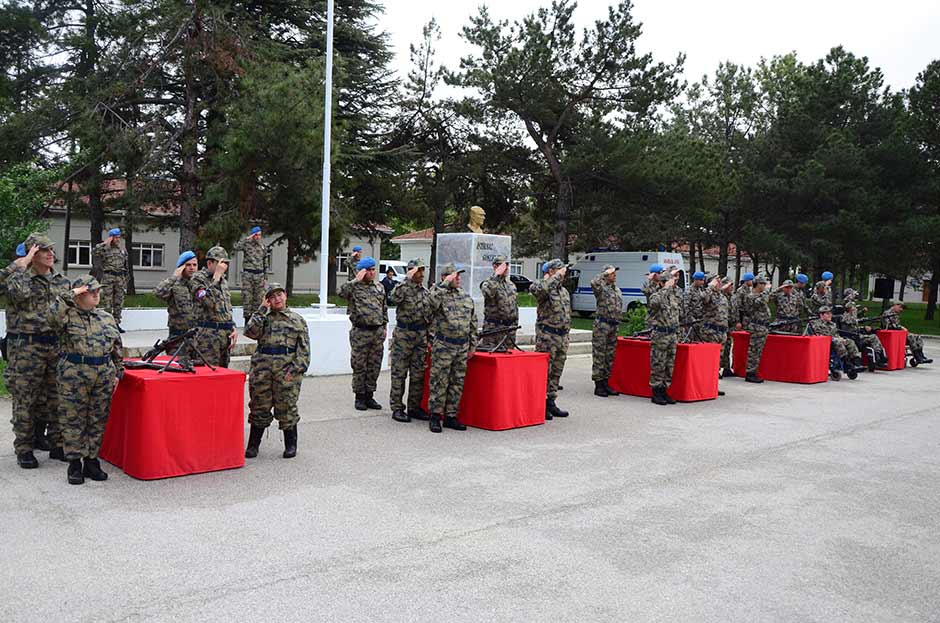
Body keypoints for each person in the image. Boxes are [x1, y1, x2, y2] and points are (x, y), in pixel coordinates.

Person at [48, 275, 123, 485]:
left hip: (103, 373)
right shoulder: (66, 315)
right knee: (73, 419)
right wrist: (72, 294)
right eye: (91, 292)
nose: (97, 295)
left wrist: (118, 372)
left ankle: (91, 460)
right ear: (80, 294)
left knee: (98, 418)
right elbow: (51, 316)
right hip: (74, 373)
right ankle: (74, 462)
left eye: (98, 291)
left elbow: (117, 347)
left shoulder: (106, 317)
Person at [4, 234, 72, 468]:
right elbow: (19, 294)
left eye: (51, 249)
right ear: (32, 254)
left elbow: (69, 311)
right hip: (26, 347)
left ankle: (56, 443)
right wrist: (21, 265)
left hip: (55, 345)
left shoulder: (61, 281)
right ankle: (24, 447)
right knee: (26, 398)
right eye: (43, 250)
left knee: (56, 397)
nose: (51, 253)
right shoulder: (18, 278)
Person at [244, 283, 310, 459]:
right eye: (272, 297)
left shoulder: (297, 320)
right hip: (262, 370)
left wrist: (294, 371)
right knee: (259, 406)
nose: (277, 299)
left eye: (279, 295)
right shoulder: (262, 318)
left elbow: (304, 351)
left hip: (286, 370)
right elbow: (249, 332)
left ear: (285, 295)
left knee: (286, 407)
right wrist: (261, 310)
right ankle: (253, 446)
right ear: (268, 301)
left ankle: (290, 445)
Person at [426, 263, 477, 433]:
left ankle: (451, 416)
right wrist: (443, 285)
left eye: (459, 276)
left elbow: (473, 322)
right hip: (444, 345)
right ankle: (435, 416)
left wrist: (472, 345)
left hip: (461, 346)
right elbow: (429, 306)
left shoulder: (465, 296)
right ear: (445, 278)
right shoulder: (438, 294)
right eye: (455, 276)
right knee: (439, 382)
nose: (458, 279)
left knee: (457, 382)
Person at [338, 255, 387, 410]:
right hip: (361, 332)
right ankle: (359, 397)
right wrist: (355, 280)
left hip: (377, 332)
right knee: (360, 366)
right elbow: (341, 293)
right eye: (369, 270)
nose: (372, 273)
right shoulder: (354, 287)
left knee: (374, 366)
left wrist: (384, 326)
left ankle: (369, 395)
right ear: (362, 271)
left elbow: (383, 308)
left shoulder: (379, 287)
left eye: (373, 269)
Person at [388, 259, 431, 423]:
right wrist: (406, 278)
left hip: (420, 336)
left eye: (422, 270)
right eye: (418, 271)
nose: (421, 274)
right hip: (404, 335)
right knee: (399, 373)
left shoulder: (425, 292)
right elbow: (392, 298)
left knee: (418, 373)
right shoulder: (403, 288)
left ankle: (414, 407)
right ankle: (397, 408)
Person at [530, 259, 572, 419]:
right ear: (552, 271)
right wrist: (554, 277)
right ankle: (540, 403)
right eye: (560, 270)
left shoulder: (564, 291)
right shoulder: (541, 286)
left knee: (556, 372)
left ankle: (550, 402)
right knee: (544, 372)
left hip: (561, 337)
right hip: (547, 336)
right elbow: (539, 290)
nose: (564, 273)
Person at [190, 246, 237, 368]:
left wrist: (233, 327)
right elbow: (207, 301)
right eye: (221, 263)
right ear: (210, 263)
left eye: (226, 263)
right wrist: (216, 278)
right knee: (207, 376)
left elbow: (226, 308)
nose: (224, 267)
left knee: (223, 375)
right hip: (207, 337)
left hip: (224, 336)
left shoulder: (223, 281)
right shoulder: (198, 278)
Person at [648, 267, 681, 405]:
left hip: (672, 334)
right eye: (668, 281)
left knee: (669, 365)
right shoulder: (657, 295)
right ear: (662, 283)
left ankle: (664, 390)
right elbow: (654, 304)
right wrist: (665, 289)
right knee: (658, 364)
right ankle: (656, 392)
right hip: (661, 334)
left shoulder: (674, 296)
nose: (672, 283)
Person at [590, 265, 622, 397]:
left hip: (613, 326)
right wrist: (603, 274)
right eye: (612, 273)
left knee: (609, 356)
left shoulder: (616, 289)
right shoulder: (601, 288)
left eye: (615, 273)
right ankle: (598, 385)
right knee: (600, 355)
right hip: (602, 325)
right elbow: (593, 282)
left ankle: (606, 382)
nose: (614, 275)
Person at [154, 251, 198, 339]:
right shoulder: (174, 284)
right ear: (181, 267)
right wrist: (174, 276)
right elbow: (158, 292)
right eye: (188, 265)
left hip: (197, 334)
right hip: (178, 334)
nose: (192, 268)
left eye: (194, 265)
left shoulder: (199, 284)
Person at [480, 254, 519, 351]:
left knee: (508, 360)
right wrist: (496, 275)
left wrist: (514, 325)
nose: (506, 268)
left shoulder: (511, 285)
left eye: (507, 266)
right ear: (495, 266)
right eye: (503, 265)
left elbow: (515, 307)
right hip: (494, 330)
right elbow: (489, 293)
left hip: (509, 330)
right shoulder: (488, 283)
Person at [92, 228, 128, 332]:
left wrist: (126, 279)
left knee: (119, 302)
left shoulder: (122, 250)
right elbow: (94, 252)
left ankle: (116, 323)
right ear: (111, 238)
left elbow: (126, 265)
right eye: (115, 237)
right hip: (108, 277)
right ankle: (108, 324)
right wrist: (104, 243)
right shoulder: (105, 248)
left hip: (120, 278)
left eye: (118, 237)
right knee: (107, 302)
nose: (117, 239)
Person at [809, 306, 863, 371]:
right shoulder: (816, 324)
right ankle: (846, 364)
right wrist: (836, 339)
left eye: (830, 313)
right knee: (838, 342)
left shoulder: (832, 324)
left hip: (835, 340)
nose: (830, 315)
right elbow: (821, 335)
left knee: (850, 341)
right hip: (824, 342)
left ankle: (856, 362)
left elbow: (836, 334)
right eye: (827, 314)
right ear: (821, 315)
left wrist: (840, 338)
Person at [233, 226, 267, 326]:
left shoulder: (263, 246)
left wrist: (265, 277)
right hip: (248, 274)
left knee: (258, 299)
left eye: (260, 235)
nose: (258, 237)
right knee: (247, 298)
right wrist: (246, 239)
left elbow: (265, 262)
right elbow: (236, 247)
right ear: (252, 235)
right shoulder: (246, 244)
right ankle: (247, 322)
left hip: (259, 275)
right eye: (256, 235)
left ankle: (256, 323)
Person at [841, 300, 887, 367]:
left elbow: (855, 326)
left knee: (874, 336)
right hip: (852, 336)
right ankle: (878, 357)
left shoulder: (851, 315)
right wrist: (862, 322)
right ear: (850, 309)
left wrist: (864, 327)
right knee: (873, 337)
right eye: (855, 308)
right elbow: (853, 323)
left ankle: (879, 356)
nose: (856, 309)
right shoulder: (846, 316)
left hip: (856, 335)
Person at [743, 275, 771, 383]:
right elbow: (760, 302)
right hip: (756, 327)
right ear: (757, 284)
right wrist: (767, 291)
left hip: (762, 327)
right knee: (754, 351)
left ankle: (753, 371)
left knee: (758, 351)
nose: (764, 286)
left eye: (765, 284)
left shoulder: (760, 295)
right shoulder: (751, 296)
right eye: (762, 284)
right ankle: (750, 373)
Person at [681, 271, 706, 341]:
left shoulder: (700, 290)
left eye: (703, 280)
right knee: (691, 340)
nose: (702, 282)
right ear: (695, 280)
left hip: (699, 319)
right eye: (701, 280)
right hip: (692, 321)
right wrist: (690, 319)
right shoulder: (689, 291)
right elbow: (686, 306)